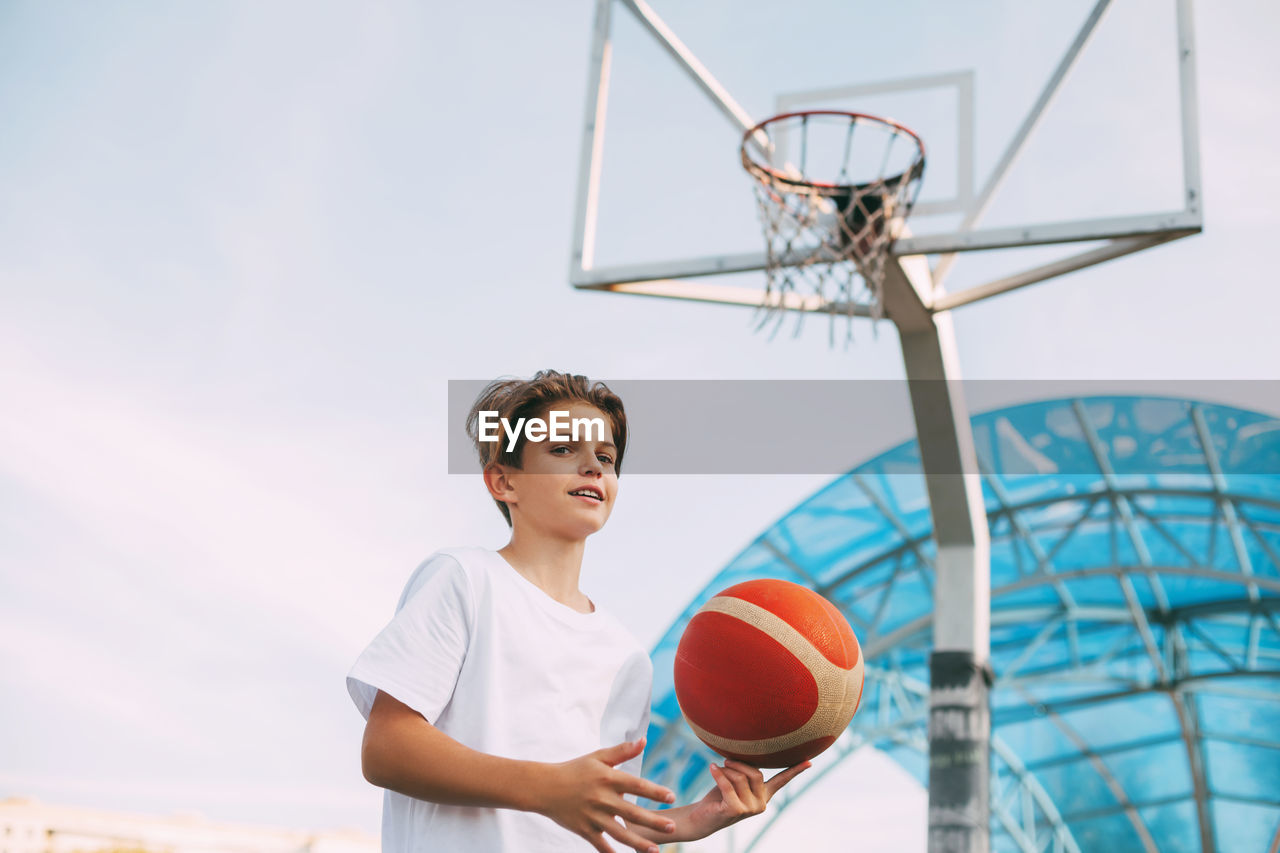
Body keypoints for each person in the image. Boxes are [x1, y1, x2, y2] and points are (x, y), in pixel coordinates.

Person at [347, 370, 809, 852]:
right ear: (504, 481)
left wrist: (692, 819)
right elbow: (386, 750)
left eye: (605, 458)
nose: (592, 466)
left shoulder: (626, 656)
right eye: (563, 450)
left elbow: (597, 814)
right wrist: (547, 788)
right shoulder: (464, 578)